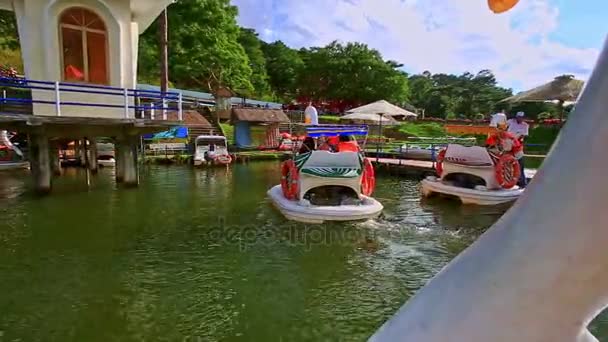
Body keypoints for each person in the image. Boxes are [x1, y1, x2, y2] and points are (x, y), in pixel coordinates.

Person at [507, 111, 529, 188]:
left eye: (521, 117)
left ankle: (523, 183)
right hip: (507, 145)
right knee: (507, 164)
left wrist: (516, 140)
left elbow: (523, 136)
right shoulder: (510, 122)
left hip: (517, 146)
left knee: (520, 164)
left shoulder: (525, 125)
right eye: (518, 117)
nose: (519, 118)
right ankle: (508, 182)